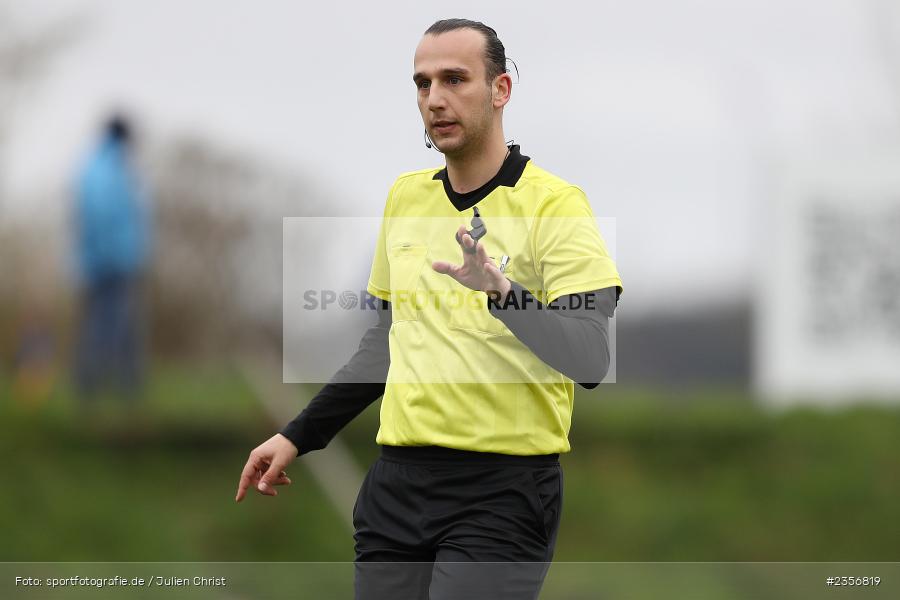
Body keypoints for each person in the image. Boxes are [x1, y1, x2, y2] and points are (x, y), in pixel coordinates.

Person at [235, 19, 622, 599]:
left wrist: (503, 294)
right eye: (422, 83)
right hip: (397, 486)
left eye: (454, 79)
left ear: (501, 90)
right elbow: (383, 346)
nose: (434, 98)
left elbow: (591, 358)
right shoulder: (405, 196)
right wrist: (298, 436)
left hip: (502, 492)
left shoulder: (557, 205)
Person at [72, 114, 151, 400]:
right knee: (107, 328)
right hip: (111, 264)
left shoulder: (103, 166)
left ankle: (126, 390)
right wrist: (112, 258)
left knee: (119, 328)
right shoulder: (108, 169)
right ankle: (95, 389)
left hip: (107, 262)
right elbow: (101, 216)